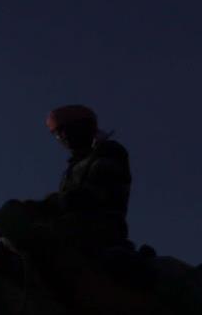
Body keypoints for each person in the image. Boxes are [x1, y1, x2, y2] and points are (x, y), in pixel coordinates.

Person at [39, 104, 132, 252]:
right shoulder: (71, 168)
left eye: (66, 129)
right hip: (70, 232)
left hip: (102, 234)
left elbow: (99, 193)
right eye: (57, 133)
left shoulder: (109, 151)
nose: (62, 136)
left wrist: (53, 204)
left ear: (85, 128)